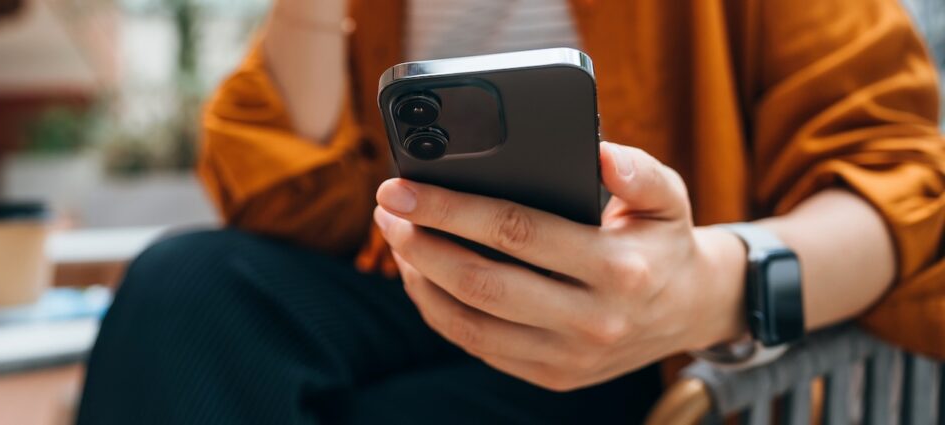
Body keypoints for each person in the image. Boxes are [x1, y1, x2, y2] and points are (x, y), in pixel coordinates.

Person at [78, 0, 945, 423]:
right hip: (422, 291)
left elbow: (907, 186)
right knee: (180, 285)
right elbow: (289, 208)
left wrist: (708, 285)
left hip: (651, 349)